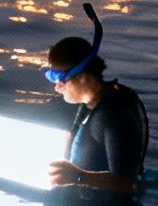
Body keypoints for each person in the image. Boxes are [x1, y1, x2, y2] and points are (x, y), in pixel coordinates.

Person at [45, 33, 148, 194]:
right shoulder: (97, 100)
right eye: (52, 77)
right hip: (86, 204)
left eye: (61, 78)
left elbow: (128, 184)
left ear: (83, 77)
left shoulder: (114, 115)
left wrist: (79, 177)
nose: (56, 87)